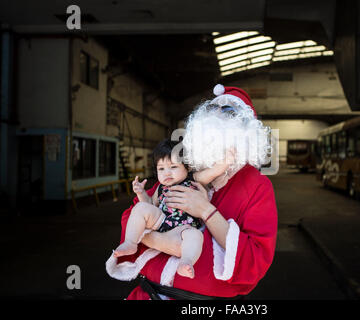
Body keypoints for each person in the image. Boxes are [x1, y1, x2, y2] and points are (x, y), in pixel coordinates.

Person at [106, 84, 278, 300]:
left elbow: (255, 260)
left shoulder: (256, 185)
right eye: (210, 109)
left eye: (227, 111)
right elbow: (130, 217)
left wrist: (205, 210)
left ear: (246, 131)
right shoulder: (182, 170)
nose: (215, 115)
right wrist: (160, 239)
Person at [113, 138, 235, 279]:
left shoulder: (192, 179)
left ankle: (186, 261)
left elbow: (213, 172)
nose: (167, 173)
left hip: (184, 229)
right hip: (162, 221)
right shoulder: (160, 187)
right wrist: (141, 193)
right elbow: (150, 206)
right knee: (140, 208)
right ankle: (130, 242)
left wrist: (227, 160)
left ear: (187, 167)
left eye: (173, 167)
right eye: (161, 169)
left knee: (195, 236)